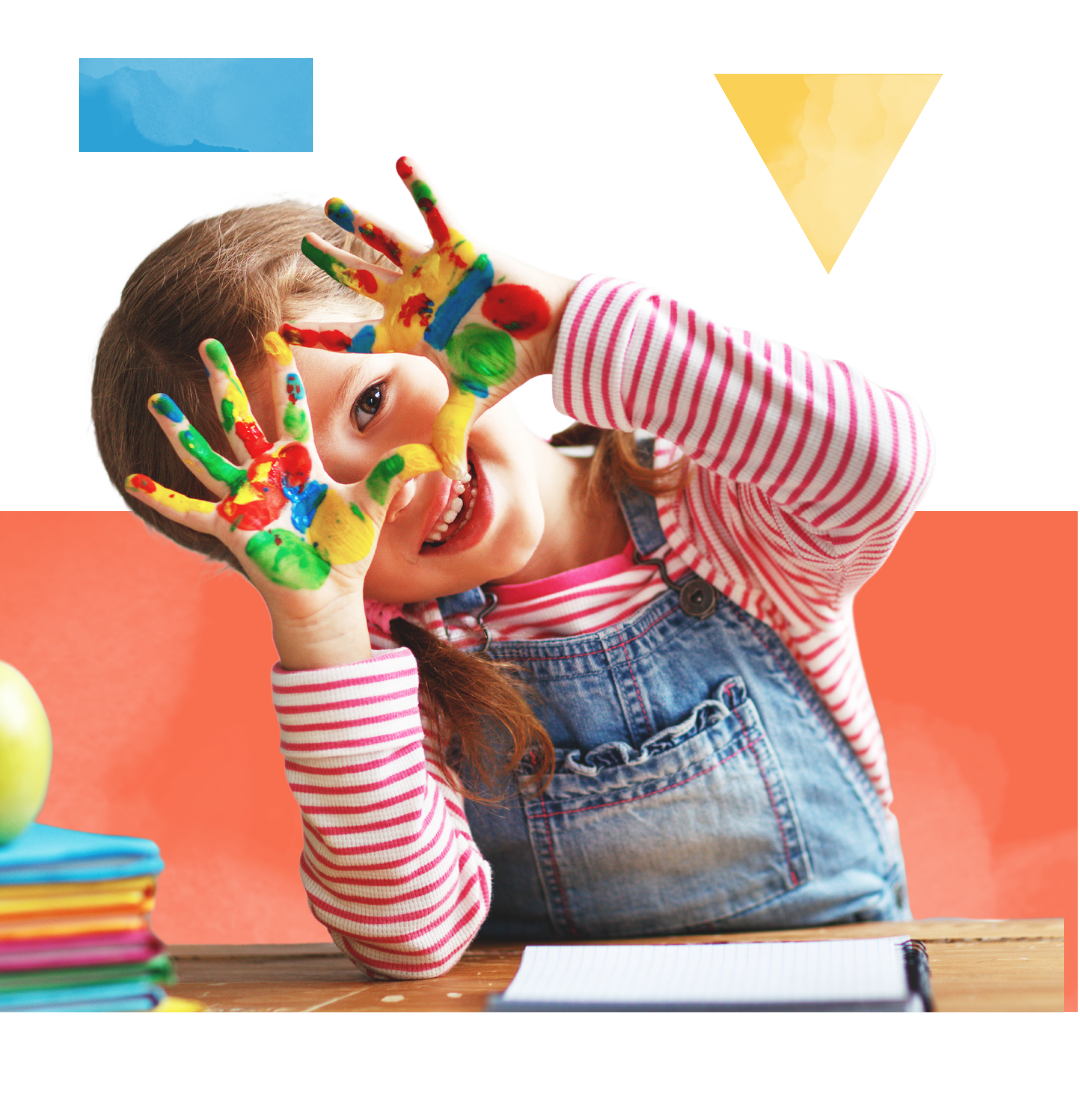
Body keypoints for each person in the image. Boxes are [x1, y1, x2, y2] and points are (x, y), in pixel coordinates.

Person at [92, 157, 934, 977]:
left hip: (842, 989)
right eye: (305, 500)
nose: (387, 485)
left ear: (441, 325)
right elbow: (410, 940)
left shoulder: (719, 514)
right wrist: (323, 631)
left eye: (370, 401)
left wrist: (560, 326)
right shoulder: (391, 670)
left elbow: (878, 463)